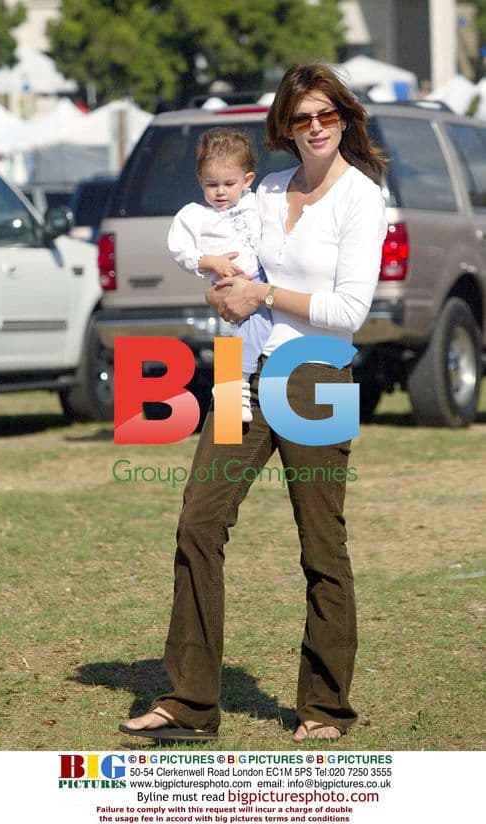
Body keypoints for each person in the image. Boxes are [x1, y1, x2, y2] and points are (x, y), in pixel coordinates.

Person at [119, 61, 388, 743]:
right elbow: (231, 264)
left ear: (345, 119)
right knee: (198, 525)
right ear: (285, 126)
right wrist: (225, 287)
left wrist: (263, 295)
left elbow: (348, 307)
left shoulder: (360, 197)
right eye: (303, 117)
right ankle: (190, 703)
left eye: (327, 114)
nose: (316, 127)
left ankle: (324, 707)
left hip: (317, 372)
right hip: (242, 368)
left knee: (321, 546)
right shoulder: (265, 190)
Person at [167, 128, 272, 422]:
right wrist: (209, 261)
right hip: (227, 286)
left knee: (255, 333)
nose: (220, 192)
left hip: (261, 282)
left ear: (247, 180)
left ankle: (239, 386)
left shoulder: (255, 204)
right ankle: (232, 388)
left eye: (229, 183)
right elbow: (179, 249)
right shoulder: (196, 215)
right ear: (200, 181)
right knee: (234, 334)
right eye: (211, 184)